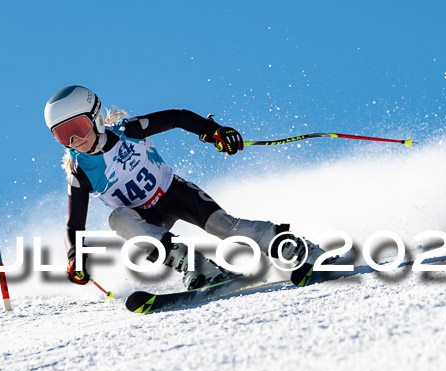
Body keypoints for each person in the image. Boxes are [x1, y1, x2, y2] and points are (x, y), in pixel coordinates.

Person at [44, 85, 324, 290]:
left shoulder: (130, 131)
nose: (74, 140)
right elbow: (74, 225)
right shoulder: (80, 172)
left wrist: (213, 131)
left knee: (224, 227)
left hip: (174, 193)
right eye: (62, 135)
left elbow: (177, 117)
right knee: (117, 218)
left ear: (95, 117)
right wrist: (74, 257)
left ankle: (296, 249)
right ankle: (197, 267)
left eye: (78, 127)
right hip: (144, 219)